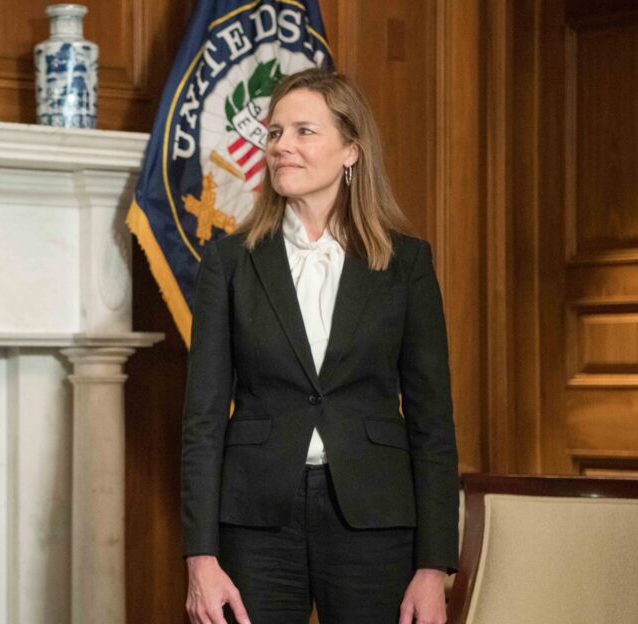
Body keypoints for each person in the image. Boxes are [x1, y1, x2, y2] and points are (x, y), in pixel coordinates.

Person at [180, 68, 459, 624]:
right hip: (255, 522)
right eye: (275, 132)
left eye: (304, 131)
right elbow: (203, 420)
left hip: (374, 520)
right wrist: (200, 558)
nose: (283, 146)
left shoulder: (406, 264)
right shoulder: (230, 261)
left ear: (351, 150)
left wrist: (434, 566)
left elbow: (433, 424)